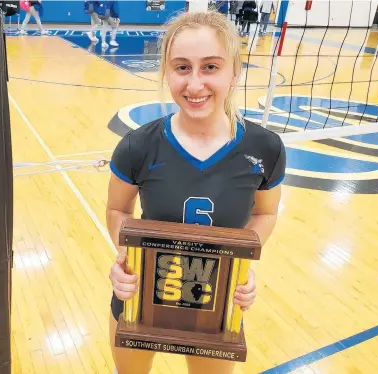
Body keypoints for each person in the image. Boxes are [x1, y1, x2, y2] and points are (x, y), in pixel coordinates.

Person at [106, 10, 285, 374]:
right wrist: (127, 259)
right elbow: (117, 210)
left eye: (211, 67)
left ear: (234, 72)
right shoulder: (137, 146)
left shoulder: (265, 148)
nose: (195, 84)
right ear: (166, 73)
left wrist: (242, 264)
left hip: (217, 300)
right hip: (141, 295)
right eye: (182, 67)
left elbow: (265, 214)